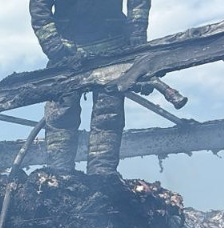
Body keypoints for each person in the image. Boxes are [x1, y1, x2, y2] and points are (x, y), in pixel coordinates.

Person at [30, 0, 151, 175]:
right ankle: (60, 176)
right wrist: (54, 46)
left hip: (112, 48)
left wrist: (137, 39)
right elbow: (40, 6)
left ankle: (101, 177)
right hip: (68, 51)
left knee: (107, 116)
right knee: (62, 115)